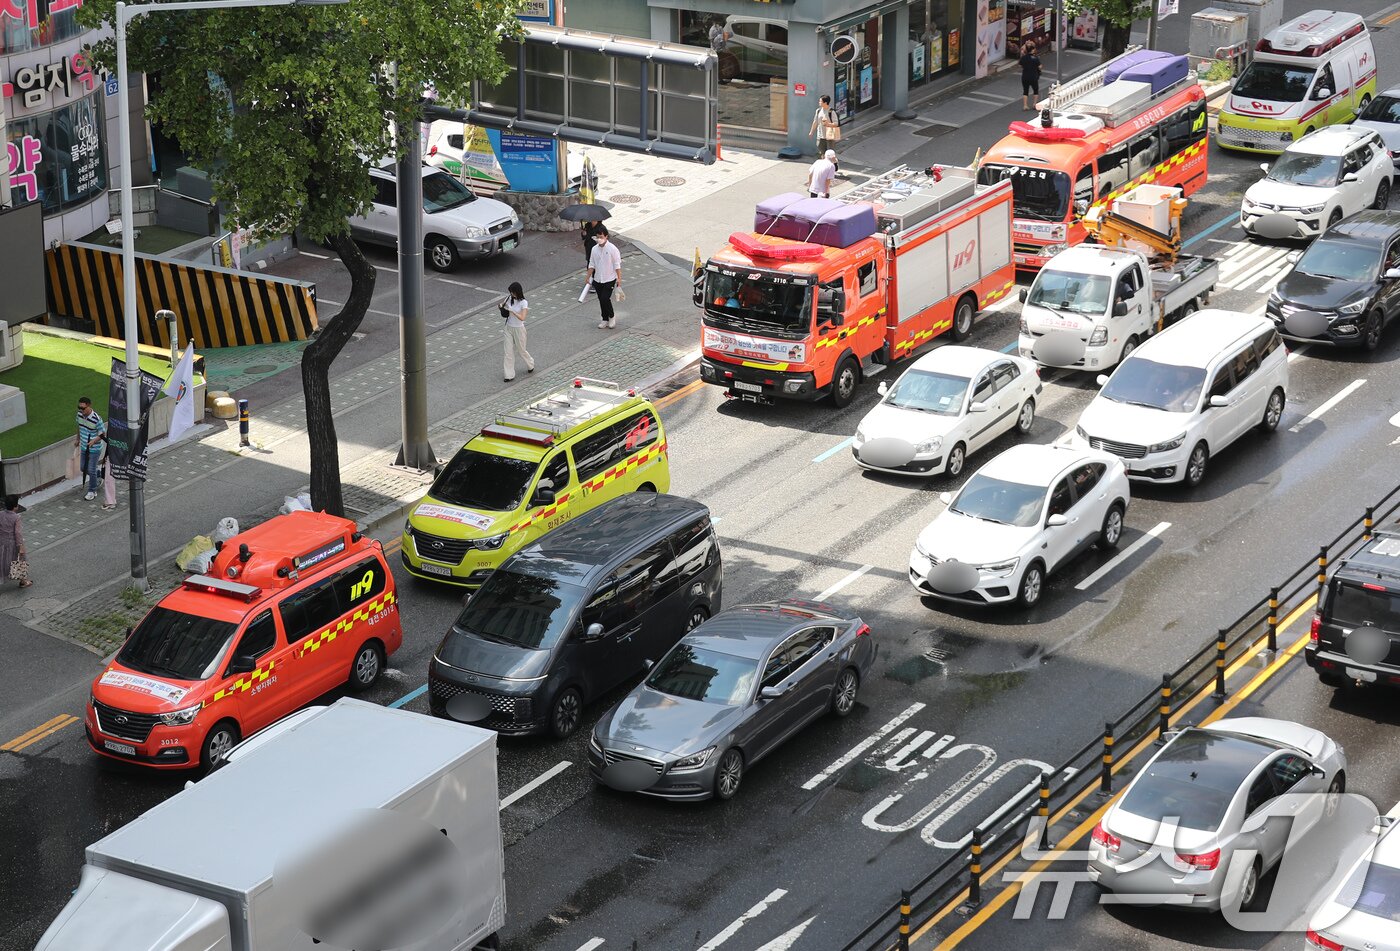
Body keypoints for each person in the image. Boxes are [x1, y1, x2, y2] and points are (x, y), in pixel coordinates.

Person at [587, 226, 623, 329]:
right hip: (598, 278)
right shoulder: (594, 249)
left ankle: (611, 316)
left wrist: (619, 279)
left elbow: (617, 265)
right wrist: (588, 276)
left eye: (601, 237)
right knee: (601, 299)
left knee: (605, 298)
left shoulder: (612, 249)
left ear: (606, 236)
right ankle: (604, 319)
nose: (599, 239)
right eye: (597, 237)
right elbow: (591, 264)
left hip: (609, 278)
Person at [501, 282, 535, 382]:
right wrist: (501, 307)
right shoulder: (509, 298)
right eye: (511, 292)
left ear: (518, 292)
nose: (512, 295)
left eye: (513, 293)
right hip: (508, 328)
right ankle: (509, 375)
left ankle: (530, 363)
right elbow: (504, 308)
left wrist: (513, 311)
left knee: (521, 350)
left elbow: (523, 317)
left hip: (519, 329)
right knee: (508, 352)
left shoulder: (524, 302)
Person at [75, 396, 106, 502]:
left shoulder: (96, 419)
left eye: (83, 408)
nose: (81, 410)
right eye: (79, 407)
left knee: (91, 469)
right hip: (84, 446)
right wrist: (78, 439)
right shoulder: (79, 415)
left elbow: (102, 434)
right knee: (83, 467)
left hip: (95, 448)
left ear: (89, 406)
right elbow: (79, 426)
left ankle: (92, 490)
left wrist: (93, 441)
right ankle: (98, 476)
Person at [0, 495, 30, 589]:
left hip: (1, 542)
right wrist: (21, 546)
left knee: (2, 561)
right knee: (21, 560)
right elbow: (18, 533)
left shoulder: (0, 514)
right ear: (16, 506)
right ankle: (23, 581)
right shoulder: (16, 517)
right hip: (13, 544)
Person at [810, 95, 841, 166]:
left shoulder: (831, 112)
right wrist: (811, 132)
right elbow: (815, 122)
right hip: (820, 135)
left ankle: (834, 164)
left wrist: (828, 124)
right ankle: (824, 166)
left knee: (830, 153)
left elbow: (836, 123)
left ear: (825, 102)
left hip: (829, 135)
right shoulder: (818, 111)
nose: (819, 102)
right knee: (822, 151)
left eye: (820, 101)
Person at [1020, 41, 1042, 111]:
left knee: (1025, 91)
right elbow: (1040, 66)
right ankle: (1034, 104)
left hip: (1025, 76)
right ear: (1032, 50)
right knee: (1035, 90)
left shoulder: (1023, 58)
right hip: (1033, 76)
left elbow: (1020, 65)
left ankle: (1025, 105)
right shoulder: (1035, 58)